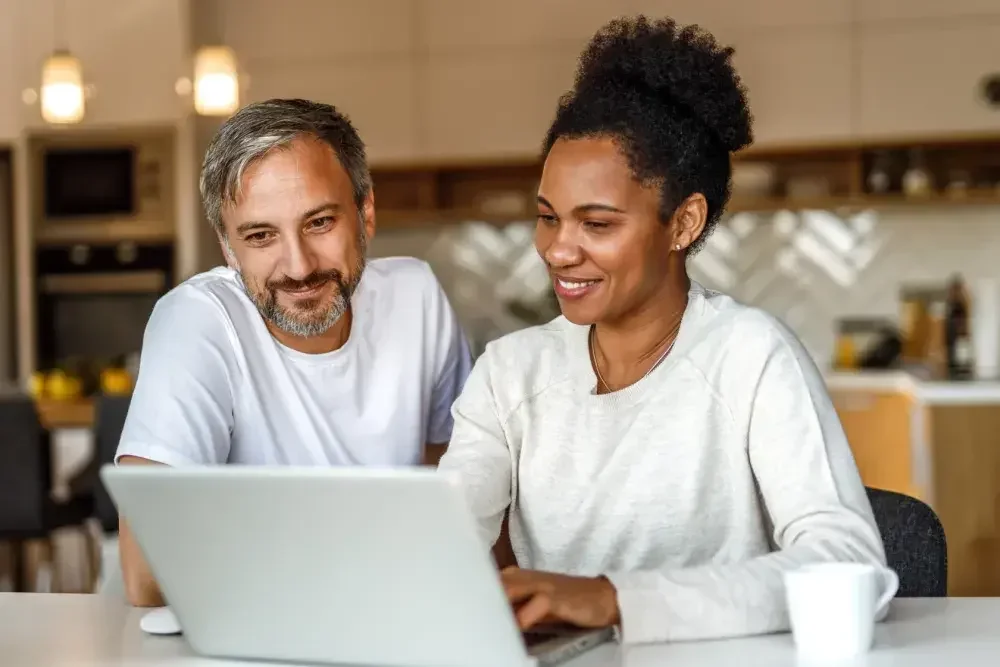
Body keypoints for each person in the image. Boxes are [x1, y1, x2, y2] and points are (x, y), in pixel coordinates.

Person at [437, 17, 891, 644]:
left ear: (683, 223)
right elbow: (441, 542)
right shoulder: (511, 372)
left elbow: (849, 561)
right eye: (548, 218)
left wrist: (613, 598)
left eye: (596, 224)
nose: (558, 251)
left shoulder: (750, 355)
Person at [116, 99, 472, 606]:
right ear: (227, 248)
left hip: (389, 618)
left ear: (365, 213)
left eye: (320, 223)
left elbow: (463, 494)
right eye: (261, 236)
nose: (299, 266)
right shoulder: (196, 321)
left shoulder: (416, 296)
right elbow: (147, 576)